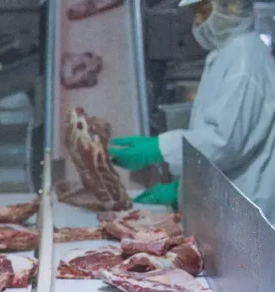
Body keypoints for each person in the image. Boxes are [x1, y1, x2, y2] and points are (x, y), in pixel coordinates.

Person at [109, 0, 275, 218]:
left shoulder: (243, 63)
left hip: (245, 209)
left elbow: (223, 143)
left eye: (203, 10)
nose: (197, 21)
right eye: (195, 12)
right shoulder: (229, 53)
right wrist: (181, 190)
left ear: (230, 8)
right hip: (229, 200)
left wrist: (158, 149)